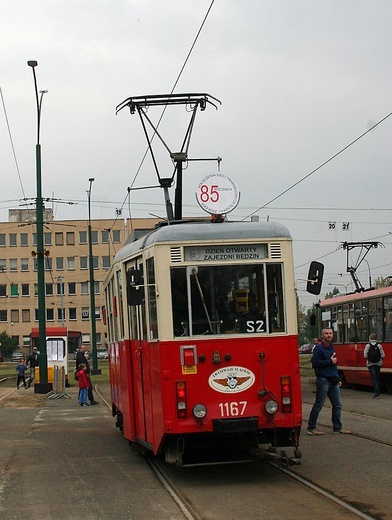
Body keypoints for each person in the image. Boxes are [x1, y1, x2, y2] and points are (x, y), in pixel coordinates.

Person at [307, 328, 351, 435]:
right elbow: (315, 363)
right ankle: (311, 427)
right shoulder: (319, 348)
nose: (329, 335)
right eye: (326, 334)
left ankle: (337, 427)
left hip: (333, 380)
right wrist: (329, 361)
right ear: (322, 336)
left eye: (330, 333)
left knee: (337, 405)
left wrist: (338, 379)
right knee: (319, 404)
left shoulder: (331, 347)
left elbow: (334, 365)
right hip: (323, 380)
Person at [364, 332, 385, 399]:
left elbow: (365, 356)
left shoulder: (368, 345)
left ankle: (376, 394)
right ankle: (378, 393)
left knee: (374, 379)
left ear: (370, 338)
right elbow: (383, 355)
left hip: (371, 364)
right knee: (378, 378)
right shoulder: (379, 345)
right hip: (378, 364)